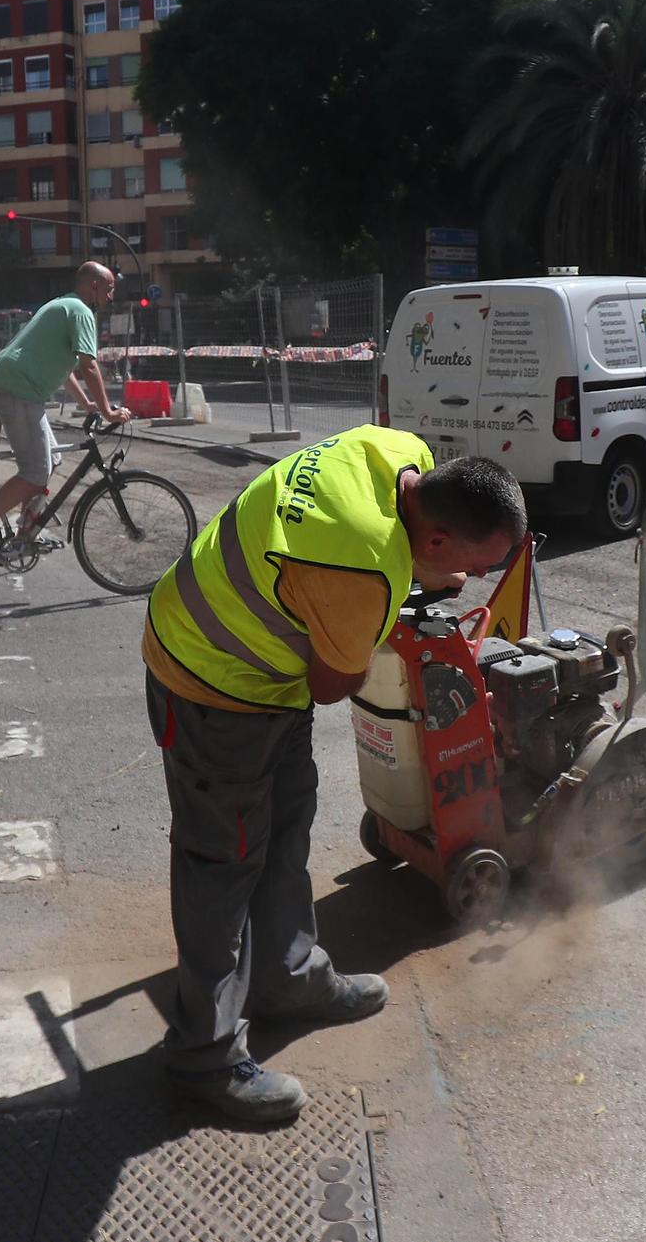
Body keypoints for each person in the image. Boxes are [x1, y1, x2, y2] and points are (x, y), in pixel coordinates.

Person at [142, 428, 526, 1123]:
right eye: (477, 563)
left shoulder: (394, 449)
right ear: (436, 543)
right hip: (212, 679)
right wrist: (412, 584)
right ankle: (203, 1055)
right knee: (221, 863)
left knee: (287, 823)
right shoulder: (367, 570)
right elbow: (331, 680)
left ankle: (289, 978)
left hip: (259, 668)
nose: (477, 581)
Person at [0, 262, 131, 559]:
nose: (111, 295)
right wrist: (107, 410)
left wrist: (86, 404)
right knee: (35, 472)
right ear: (94, 286)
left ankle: (26, 531)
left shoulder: (63, 305)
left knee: (51, 459)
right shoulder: (80, 311)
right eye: (109, 288)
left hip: (16, 387)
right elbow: (89, 365)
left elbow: (68, 368)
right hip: (18, 390)